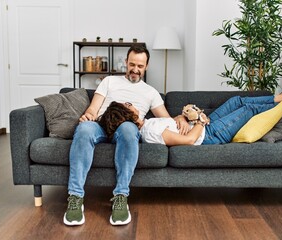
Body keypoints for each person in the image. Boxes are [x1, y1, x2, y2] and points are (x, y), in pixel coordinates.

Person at [63, 45, 189, 226]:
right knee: (83, 129)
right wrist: (88, 115)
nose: (135, 70)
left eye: (140, 66)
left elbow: (166, 120)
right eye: (132, 64)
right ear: (126, 62)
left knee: (130, 128)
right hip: (100, 124)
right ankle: (75, 197)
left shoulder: (151, 92)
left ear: (146, 66)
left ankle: (121, 196)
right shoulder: (109, 81)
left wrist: (181, 118)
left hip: (125, 128)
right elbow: (93, 107)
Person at [99, 80, 282, 146]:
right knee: (247, 109)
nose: (132, 104)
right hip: (210, 135)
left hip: (206, 127)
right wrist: (200, 122)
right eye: (128, 104)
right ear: (127, 115)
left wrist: (182, 118)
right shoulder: (149, 133)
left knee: (236, 101)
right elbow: (188, 142)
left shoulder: (150, 123)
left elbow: (173, 123)